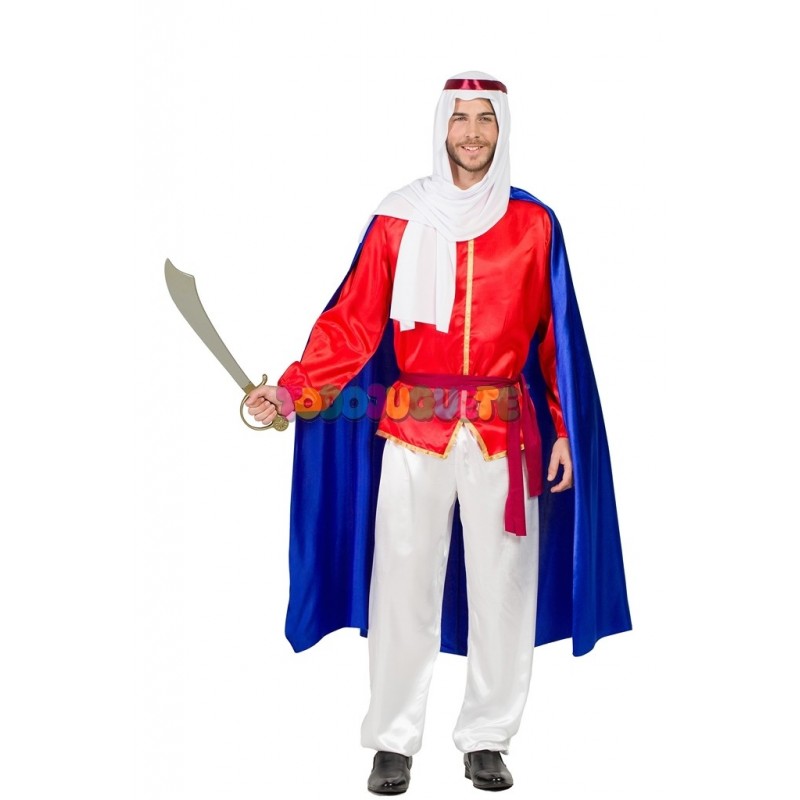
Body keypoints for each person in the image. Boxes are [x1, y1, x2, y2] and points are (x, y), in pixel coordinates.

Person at [245, 71, 631, 794]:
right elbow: (354, 322)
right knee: (401, 585)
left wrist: (564, 431)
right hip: (415, 430)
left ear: (502, 128)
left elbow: (557, 338)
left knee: (504, 589)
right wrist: (293, 390)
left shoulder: (534, 223)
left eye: (485, 119)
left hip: (504, 435)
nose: (473, 133)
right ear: (441, 126)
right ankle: (393, 740)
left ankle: (487, 736)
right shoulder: (399, 217)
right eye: (461, 118)